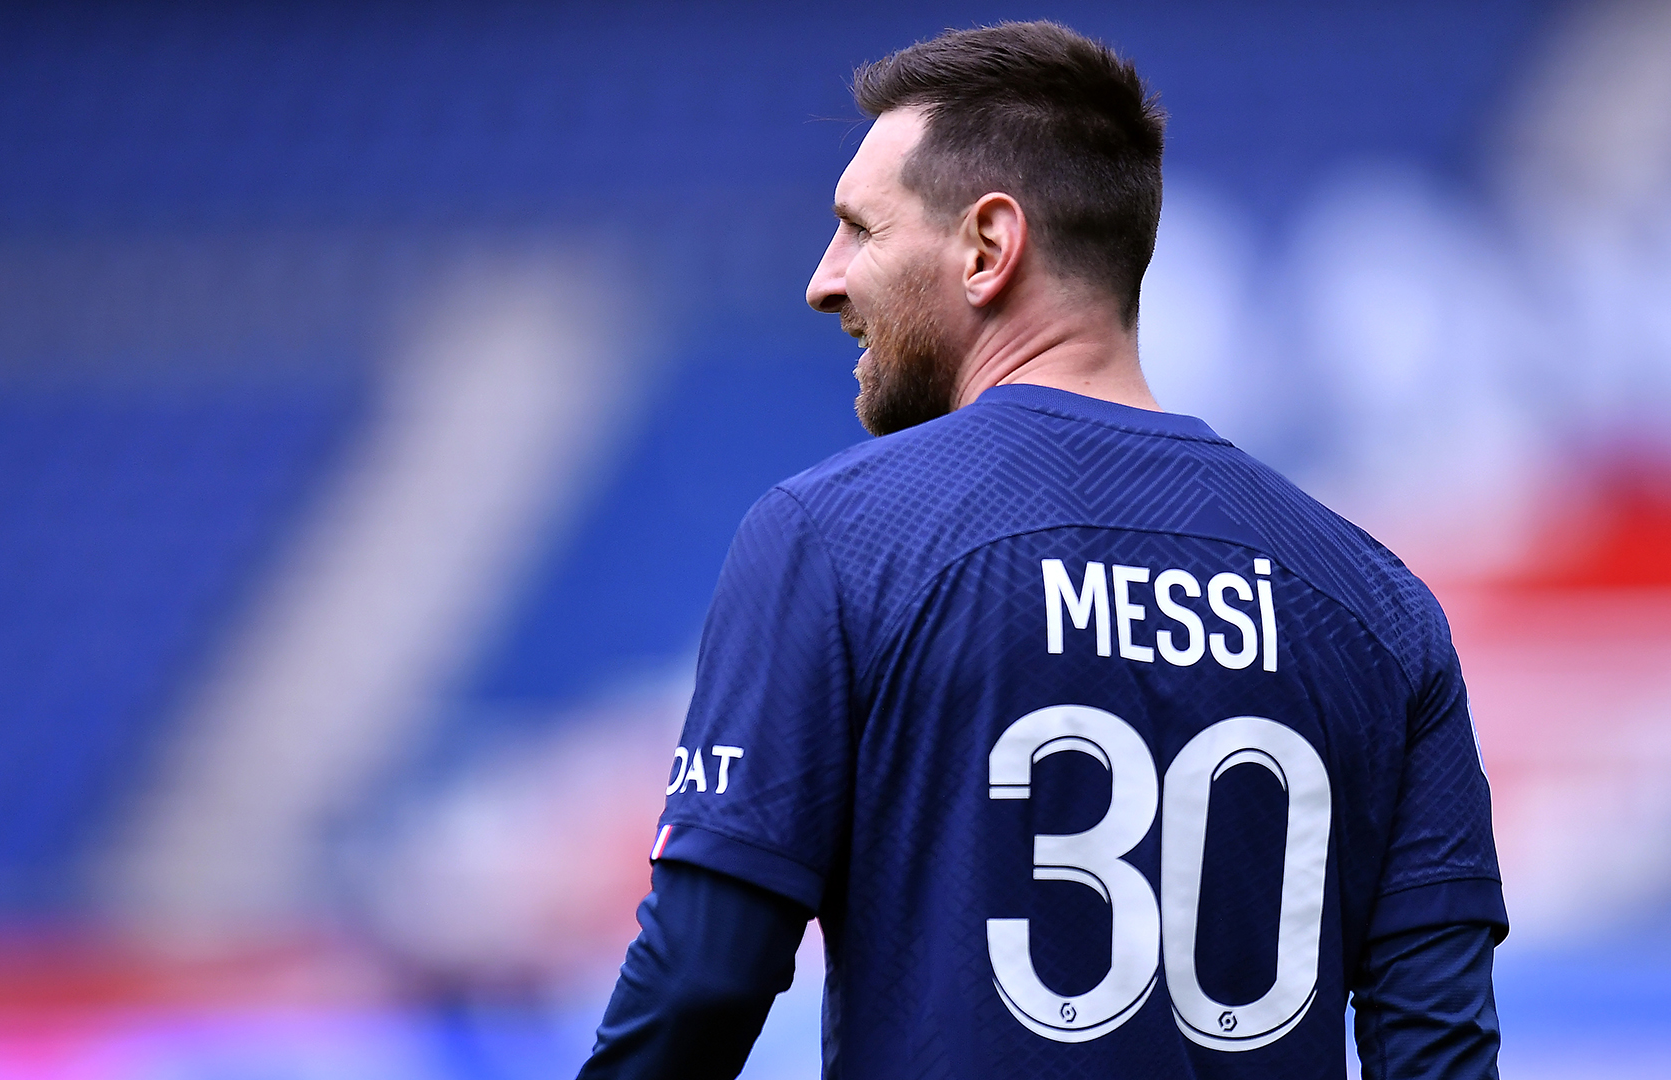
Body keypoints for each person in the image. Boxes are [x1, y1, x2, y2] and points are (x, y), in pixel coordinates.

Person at [578, 20, 1505, 1080]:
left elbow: (701, 977)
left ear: (988, 247)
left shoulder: (834, 541)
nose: (823, 281)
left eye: (858, 230)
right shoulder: (1381, 610)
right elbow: (1437, 1048)